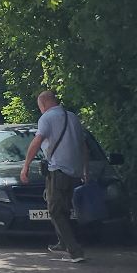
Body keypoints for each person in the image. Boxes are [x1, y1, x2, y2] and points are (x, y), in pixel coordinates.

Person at [19, 90, 89, 263]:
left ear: (43, 103)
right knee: (63, 209)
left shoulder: (47, 118)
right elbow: (84, 146)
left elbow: (37, 141)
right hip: (75, 172)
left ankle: (75, 251)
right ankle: (62, 243)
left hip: (58, 171)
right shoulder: (72, 117)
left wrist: (26, 166)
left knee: (55, 210)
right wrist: (85, 169)